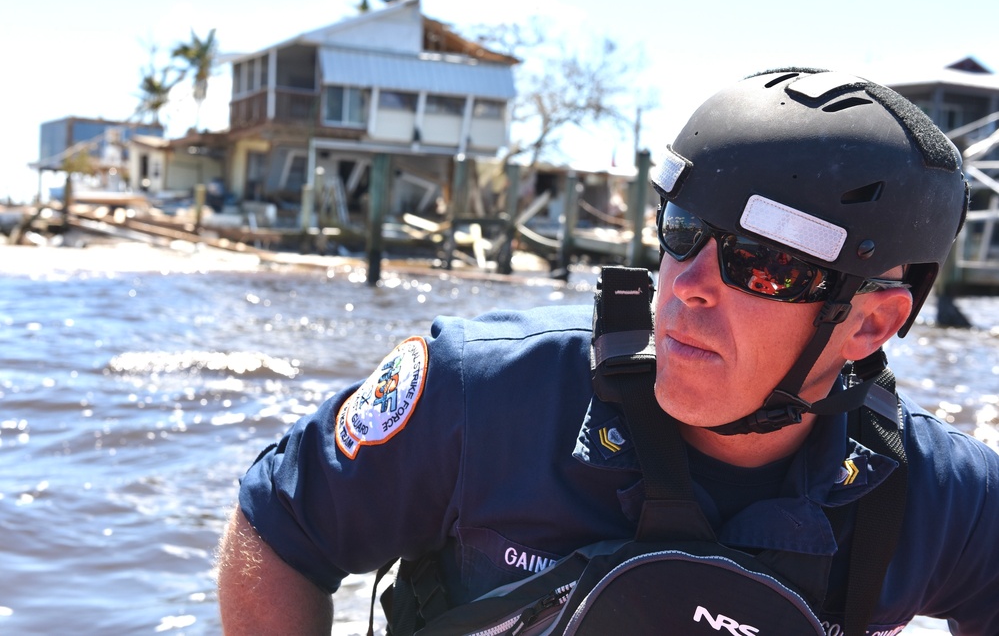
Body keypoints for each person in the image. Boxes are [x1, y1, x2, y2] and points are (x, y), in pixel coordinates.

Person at [216, 68, 999, 635]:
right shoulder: (483, 396)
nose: (686, 285)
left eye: (763, 262)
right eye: (681, 232)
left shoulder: (939, 498)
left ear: (867, 324)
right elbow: (281, 528)